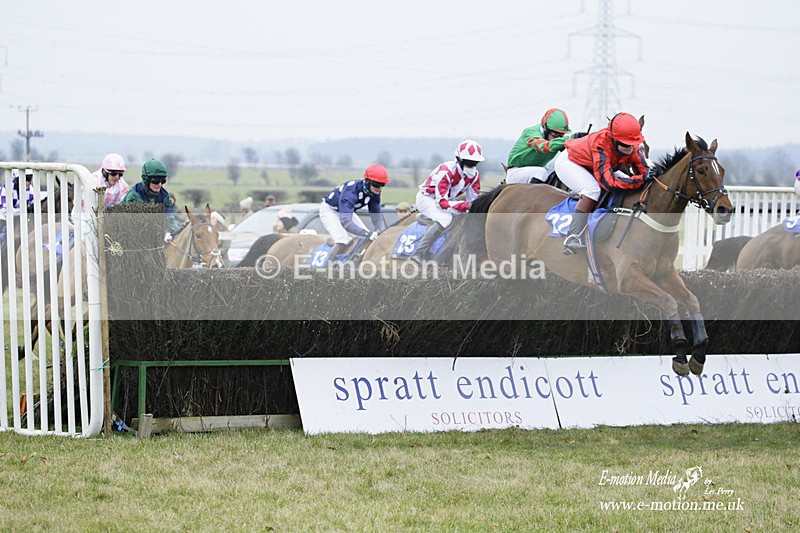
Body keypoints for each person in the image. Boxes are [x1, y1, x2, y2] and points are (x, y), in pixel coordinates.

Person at [554, 112, 652, 255]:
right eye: (625, 145)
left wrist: (642, 179)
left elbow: (645, 173)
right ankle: (572, 236)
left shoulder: (631, 145)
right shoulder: (601, 143)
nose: (630, 149)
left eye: (633, 145)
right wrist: (636, 181)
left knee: (625, 178)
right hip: (571, 162)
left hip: (597, 164)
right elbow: (608, 183)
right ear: (614, 139)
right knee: (592, 190)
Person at [410, 139, 483, 262]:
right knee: (445, 219)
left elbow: (473, 202)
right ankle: (418, 254)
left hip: (447, 200)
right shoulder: (446, 171)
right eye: (468, 162)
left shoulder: (474, 176)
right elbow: (442, 204)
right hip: (427, 199)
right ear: (459, 159)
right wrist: (466, 205)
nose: (471, 166)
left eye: (474, 163)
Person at [320, 163, 389, 258]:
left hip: (345, 211)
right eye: (377, 184)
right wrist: (368, 234)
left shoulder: (374, 193)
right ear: (368, 182)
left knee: (365, 239)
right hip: (329, 210)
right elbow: (346, 223)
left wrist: (381, 232)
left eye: (382, 184)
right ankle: (328, 270)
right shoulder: (351, 192)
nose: (380, 188)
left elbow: (376, 217)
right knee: (343, 240)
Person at [505, 108, 574, 184]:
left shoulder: (556, 140)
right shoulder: (530, 132)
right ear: (544, 127)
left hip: (534, 171)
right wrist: (571, 137)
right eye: (555, 134)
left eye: (561, 136)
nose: (557, 139)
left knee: (560, 170)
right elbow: (545, 146)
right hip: (516, 173)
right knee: (541, 172)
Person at [121, 159, 182, 237]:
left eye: (163, 181)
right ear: (146, 179)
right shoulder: (134, 195)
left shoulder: (165, 195)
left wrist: (176, 232)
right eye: (156, 181)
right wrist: (162, 233)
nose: (159, 184)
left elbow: (169, 218)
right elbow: (140, 223)